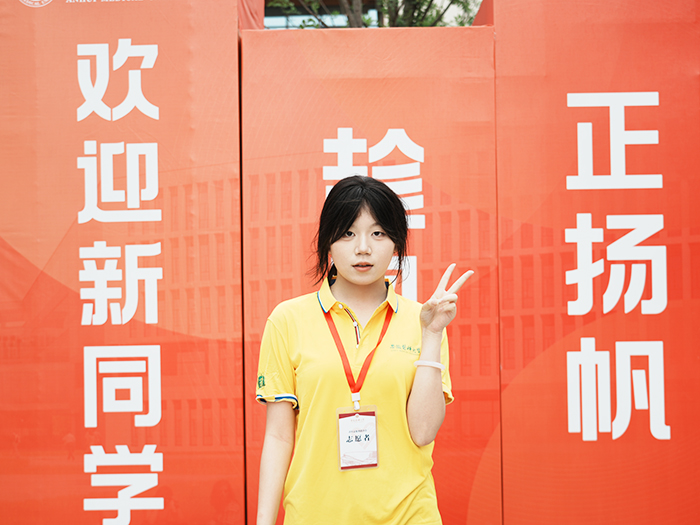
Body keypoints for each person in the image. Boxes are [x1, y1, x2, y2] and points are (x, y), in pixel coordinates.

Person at [255, 176, 473, 525]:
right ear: (327, 240)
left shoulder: (424, 320)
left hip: (408, 516)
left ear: (397, 242)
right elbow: (279, 436)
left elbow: (423, 431)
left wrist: (432, 334)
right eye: (348, 233)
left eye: (378, 233)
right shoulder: (287, 320)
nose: (363, 248)